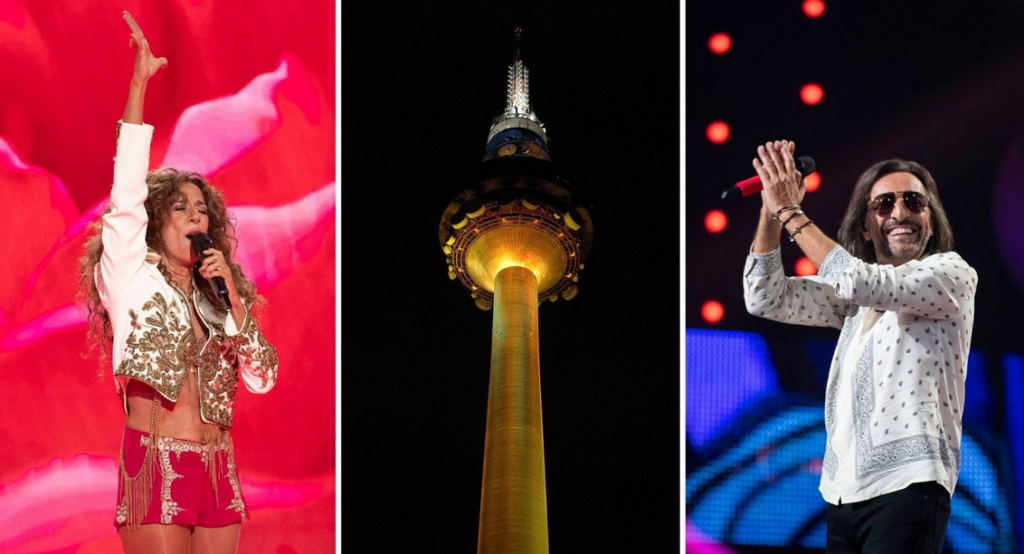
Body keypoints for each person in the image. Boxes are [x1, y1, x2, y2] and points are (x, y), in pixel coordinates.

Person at [78, 12, 278, 554]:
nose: (195, 217)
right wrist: (138, 86)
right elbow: (124, 196)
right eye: (180, 207)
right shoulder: (129, 277)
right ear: (156, 219)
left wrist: (234, 300)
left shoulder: (218, 297)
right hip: (157, 460)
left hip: (219, 467)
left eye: (202, 210)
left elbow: (263, 377)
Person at [742, 140, 976, 554]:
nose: (899, 212)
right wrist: (770, 206)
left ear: (932, 221)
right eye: (884, 203)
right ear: (866, 226)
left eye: (913, 202)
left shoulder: (951, 274)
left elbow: (862, 281)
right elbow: (764, 296)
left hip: (908, 484)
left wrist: (790, 212)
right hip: (842, 494)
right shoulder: (852, 304)